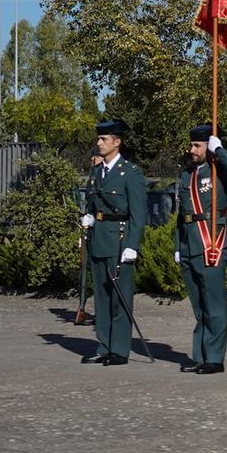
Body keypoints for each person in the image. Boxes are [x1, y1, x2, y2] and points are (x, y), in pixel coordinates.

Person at [174, 123, 227, 375]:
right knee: (199, 306)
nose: (192, 150)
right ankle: (201, 355)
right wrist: (178, 245)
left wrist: (220, 150)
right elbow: (182, 214)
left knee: (213, 304)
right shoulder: (187, 175)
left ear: (209, 146)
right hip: (189, 243)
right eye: (191, 145)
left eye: (197, 145)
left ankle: (214, 358)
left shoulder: (220, 170)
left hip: (211, 243)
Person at [79, 119, 146, 366]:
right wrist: (90, 217)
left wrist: (132, 245)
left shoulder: (130, 173)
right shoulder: (97, 172)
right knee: (102, 297)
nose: (99, 143)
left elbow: (138, 213)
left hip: (119, 239)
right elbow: (94, 202)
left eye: (103, 139)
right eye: (98, 138)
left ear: (116, 142)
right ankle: (104, 346)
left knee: (120, 297)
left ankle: (119, 350)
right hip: (98, 238)